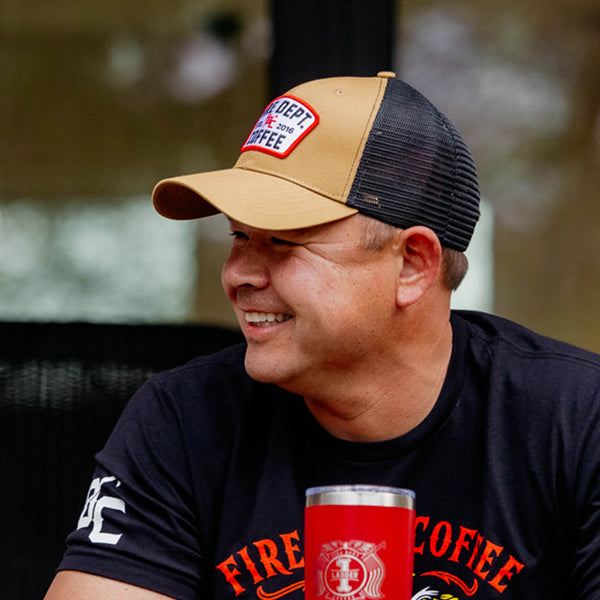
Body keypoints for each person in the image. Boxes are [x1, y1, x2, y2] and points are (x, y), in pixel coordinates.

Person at [44, 72, 600, 600]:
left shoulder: (576, 419)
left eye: (284, 241)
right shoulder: (184, 418)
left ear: (412, 264)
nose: (239, 274)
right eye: (239, 236)